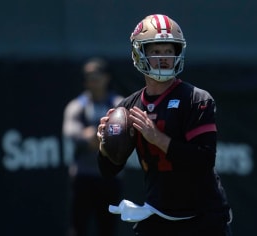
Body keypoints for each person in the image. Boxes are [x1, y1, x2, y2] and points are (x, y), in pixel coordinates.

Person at [96, 14, 233, 236]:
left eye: (169, 51)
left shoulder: (196, 99)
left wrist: (157, 138)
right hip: (158, 215)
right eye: (156, 51)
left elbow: (203, 160)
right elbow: (108, 170)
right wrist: (105, 144)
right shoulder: (129, 106)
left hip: (203, 218)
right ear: (139, 53)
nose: (163, 58)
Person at [63, 57, 124, 236]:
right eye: (89, 76)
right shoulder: (77, 106)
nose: (93, 80)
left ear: (107, 78)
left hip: (110, 179)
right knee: (78, 228)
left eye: (97, 75)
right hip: (83, 178)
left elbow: (125, 133)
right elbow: (71, 133)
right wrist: (100, 137)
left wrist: (97, 137)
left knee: (107, 228)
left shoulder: (118, 104)